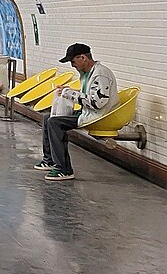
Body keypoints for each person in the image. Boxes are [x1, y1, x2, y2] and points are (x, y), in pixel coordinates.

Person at [38, 43, 119, 181]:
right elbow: (89, 97)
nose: (72, 65)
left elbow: (97, 103)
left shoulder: (100, 74)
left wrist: (70, 94)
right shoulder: (87, 74)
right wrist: (69, 91)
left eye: (73, 61)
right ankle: (49, 160)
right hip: (87, 113)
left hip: (98, 115)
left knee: (55, 123)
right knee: (47, 118)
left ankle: (64, 169)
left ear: (83, 58)